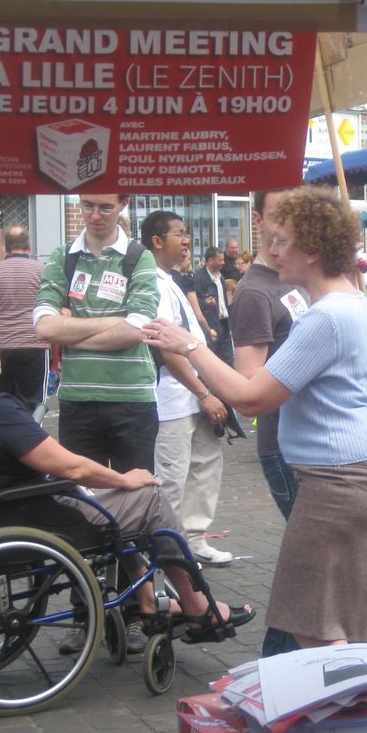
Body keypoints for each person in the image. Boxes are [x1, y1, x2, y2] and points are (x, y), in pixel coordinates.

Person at [144, 185, 367, 653]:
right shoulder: (351, 301)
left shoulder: (324, 317)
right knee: (364, 605)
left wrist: (187, 344)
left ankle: (349, 708)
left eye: (282, 240)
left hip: (338, 482)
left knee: (307, 617)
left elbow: (250, 397)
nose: (271, 250)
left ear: (312, 249)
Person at [0, 312, 253, 643]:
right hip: (36, 518)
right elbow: (71, 467)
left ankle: (148, 598)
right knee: (148, 497)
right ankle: (199, 608)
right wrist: (123, 479)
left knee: (108, 501)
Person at [33, 193, 160, 654]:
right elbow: (43, 328)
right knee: (78, 506)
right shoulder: (62, 257)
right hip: (79, 401)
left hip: (132, 402)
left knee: (136, 503)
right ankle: (84, 611)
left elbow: (138, 328)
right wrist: (111, 323)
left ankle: (135, 613)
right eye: (88, 205)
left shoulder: (138, 258)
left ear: (123, 205)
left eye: (105, 206)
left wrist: (76, 327)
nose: (95, 215)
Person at [230, 186, 309, 657]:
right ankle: (277, 661)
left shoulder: (299, 277)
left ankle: (284, 662)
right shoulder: (255, 291)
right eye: (278, 215)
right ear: (258, 219)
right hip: (283, 445)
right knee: (311, 557)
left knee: (313, 558)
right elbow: (250, 384)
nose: (286, 225)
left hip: (316, 440)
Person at [141, 211, 232, 567]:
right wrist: (204, 393)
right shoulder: (152, 282)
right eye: (179, 233)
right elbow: (166, 348)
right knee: (172, 478)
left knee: (205, 467)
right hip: (173, 401)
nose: (187, 241)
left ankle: (194, 539)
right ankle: (169, 550)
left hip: (194, 396)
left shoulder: (172, 279)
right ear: (157, 241)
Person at [0, 226, 48, 412]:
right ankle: (31, 438)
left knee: (6, 400)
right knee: (33, 404)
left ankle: (10, 438)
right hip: (33, 345)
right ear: (29, 245)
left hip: (1, 348)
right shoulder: (42, 271)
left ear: (5, 247)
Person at [194, 247, 234, 366]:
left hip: (224, 324)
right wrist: (204, 303)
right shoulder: (199, 279)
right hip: (210, 325)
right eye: (220, 260)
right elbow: (193, 304)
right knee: (210, 362)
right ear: (211, 260)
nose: (223, 263)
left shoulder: (220, 277)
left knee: (228, 361)